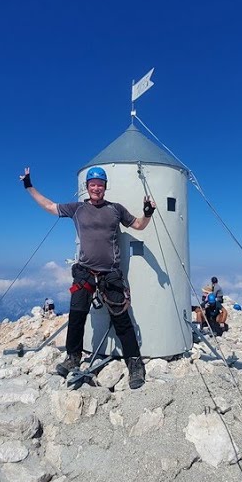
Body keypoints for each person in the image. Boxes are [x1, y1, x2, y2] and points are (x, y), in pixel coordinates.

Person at [22, 166, 155, 390]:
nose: (96, 188)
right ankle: (73, 356)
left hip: (110, 273)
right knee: (76, 316)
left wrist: (148, 213)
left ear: (105, 187)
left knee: (122, 320)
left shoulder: (116, 209)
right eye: (92, 185)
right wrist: (29, 186)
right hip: (85, 271)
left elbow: (139, 226)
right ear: (87, 187)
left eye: (100, 185)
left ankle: (134, 364)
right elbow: (49, 205)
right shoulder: (77, 209)